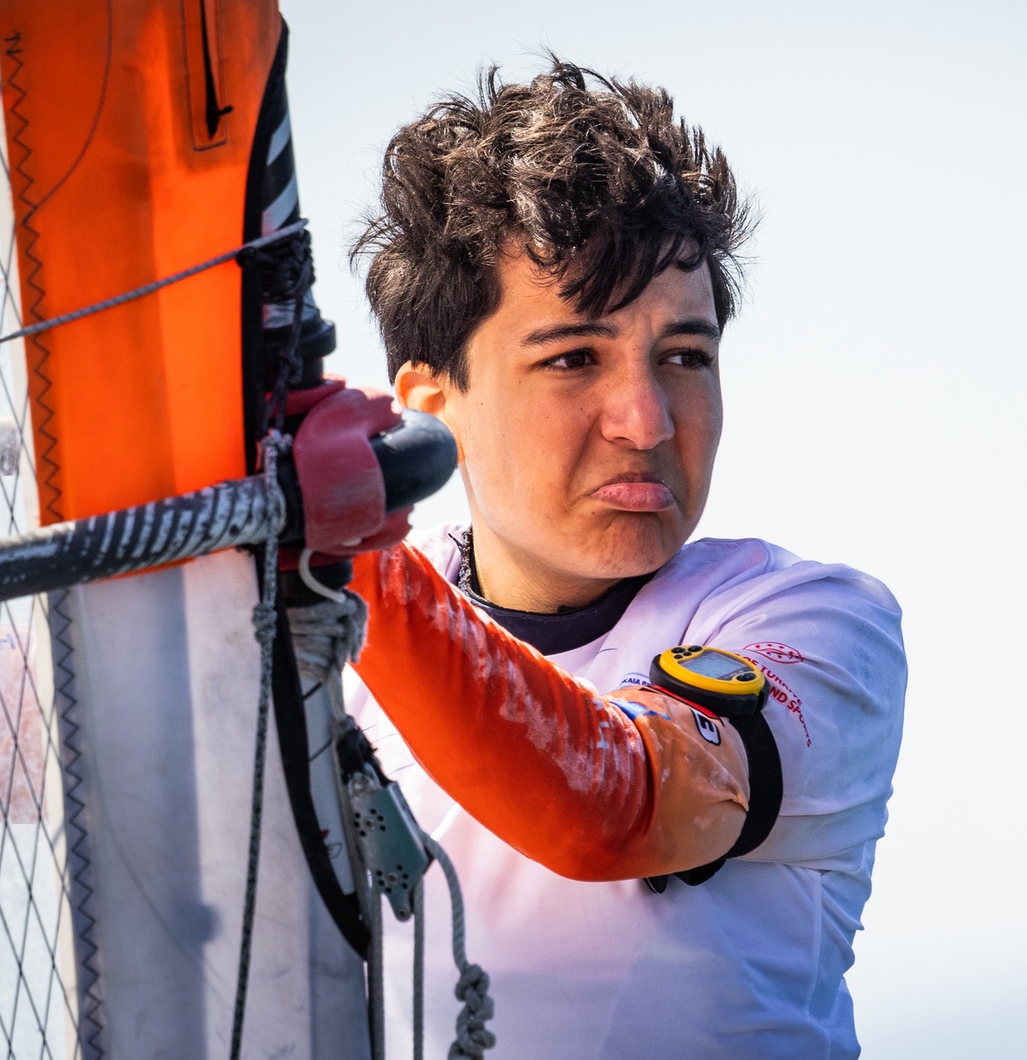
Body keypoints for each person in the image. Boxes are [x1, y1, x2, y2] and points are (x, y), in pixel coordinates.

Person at [341, 62, 907, 1059]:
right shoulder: (328, 637)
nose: (646, 421)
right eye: (573, 359)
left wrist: (350, 554)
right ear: (432, 406)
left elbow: (613, 806)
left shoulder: (817, 620)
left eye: (684, 357)